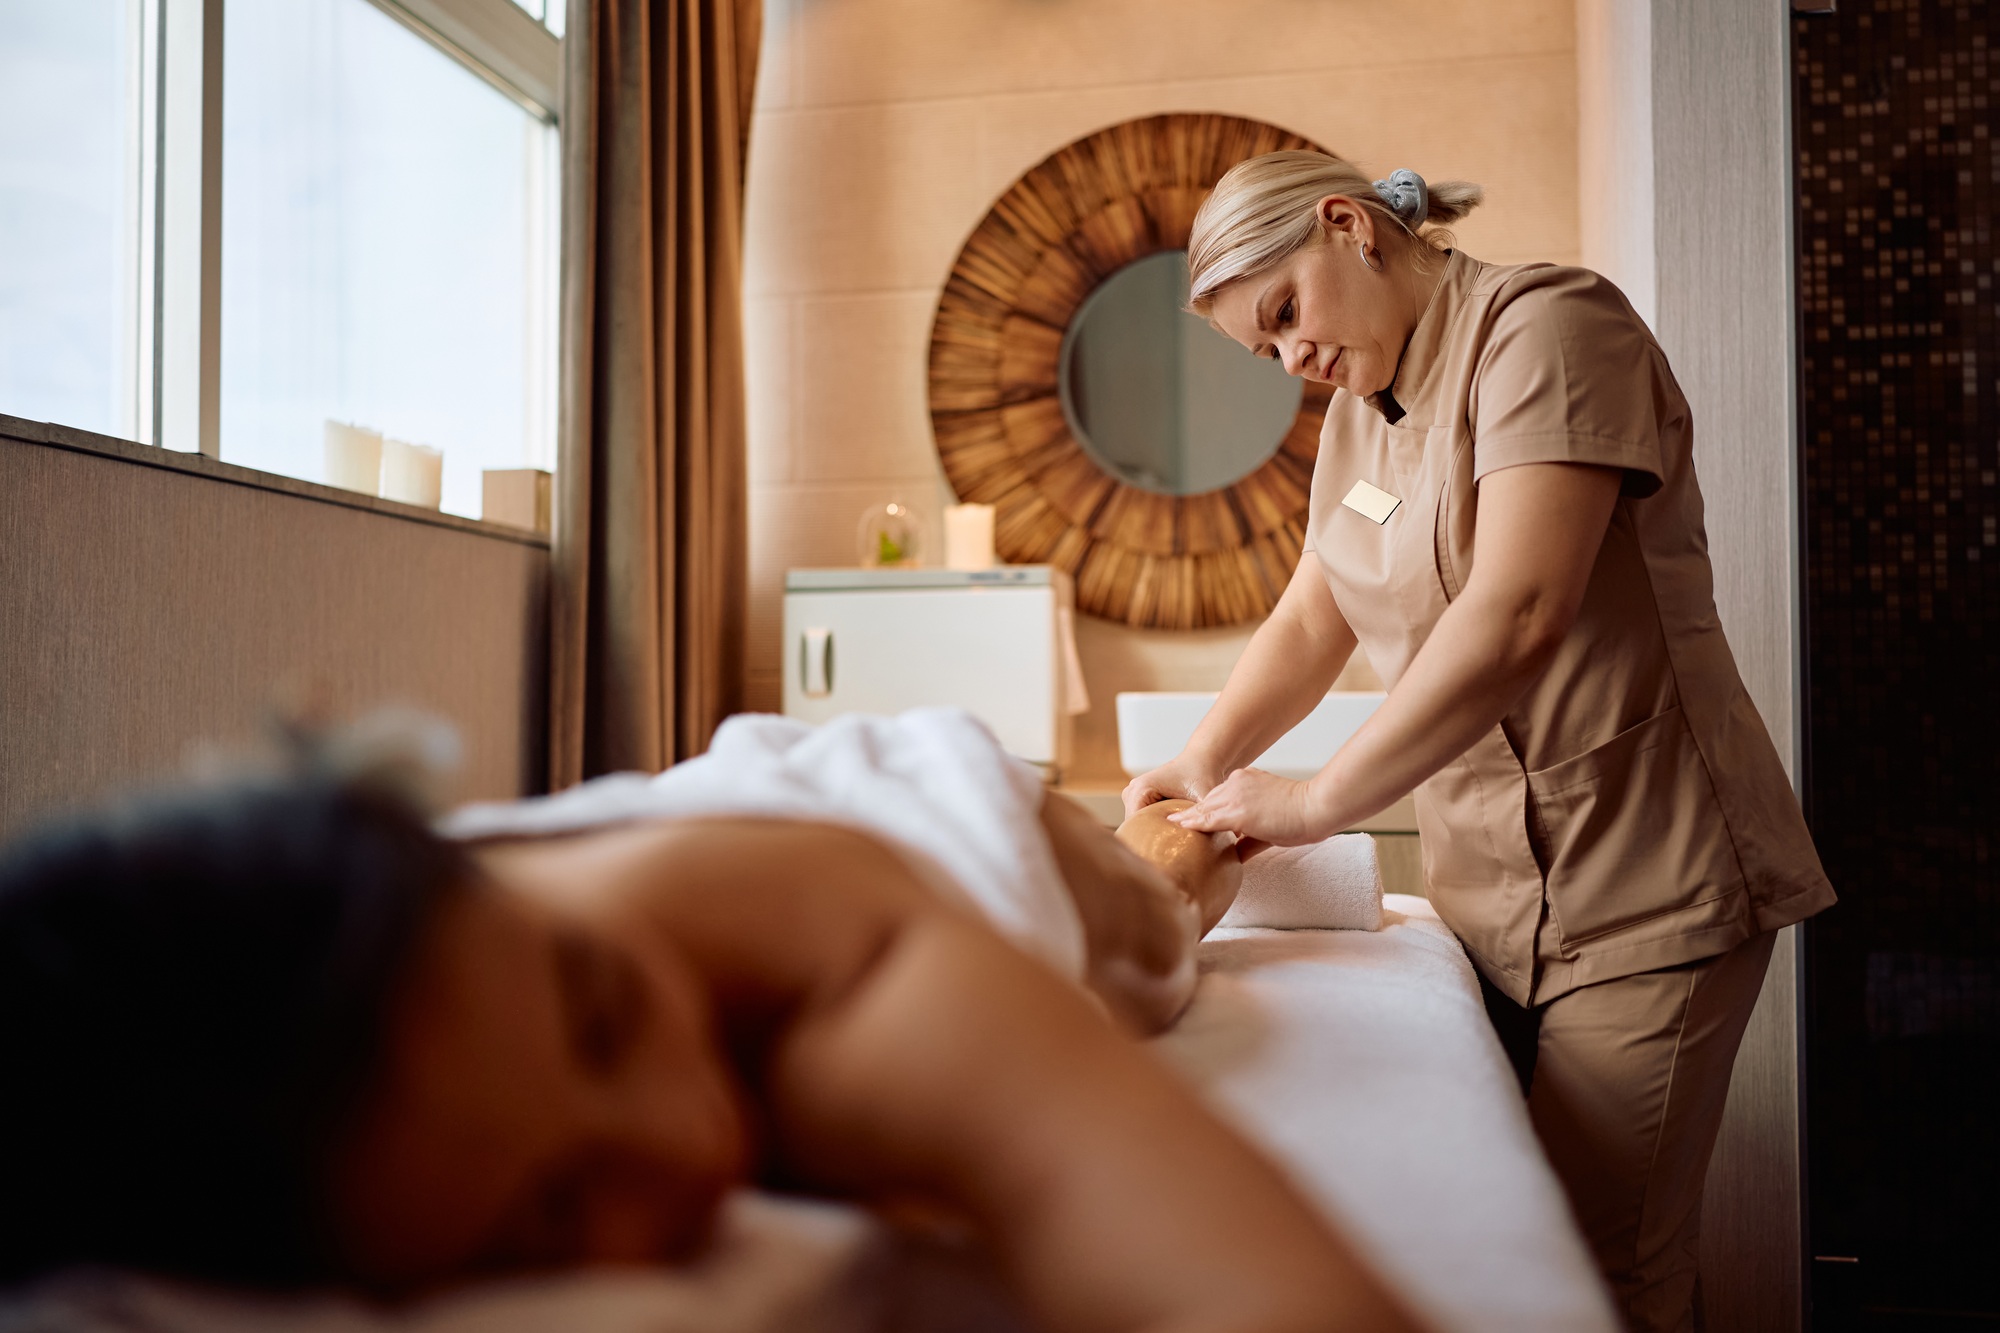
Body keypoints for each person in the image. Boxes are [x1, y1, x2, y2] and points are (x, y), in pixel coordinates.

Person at [0, 726, 1417, 1333]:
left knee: (1159, 913)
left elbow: (1273, 1301)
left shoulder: (850, 992)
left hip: (943, 816)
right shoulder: (324, 1006)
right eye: (550, 1213)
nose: (682, 1141)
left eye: (604, 1013)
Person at [1126, 151, 1836, 1333]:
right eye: (1266, 352)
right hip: (1493, 898)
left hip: (1642, 878)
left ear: (1345, 225)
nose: (1292, 360)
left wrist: (1309, 804)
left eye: (1286, 316)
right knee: (1526, 1253)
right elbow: (1315, 610)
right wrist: (1204, 759)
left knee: (1600, 1278)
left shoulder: (1547, 329)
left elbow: (1515, 611)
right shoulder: (1362, 416)